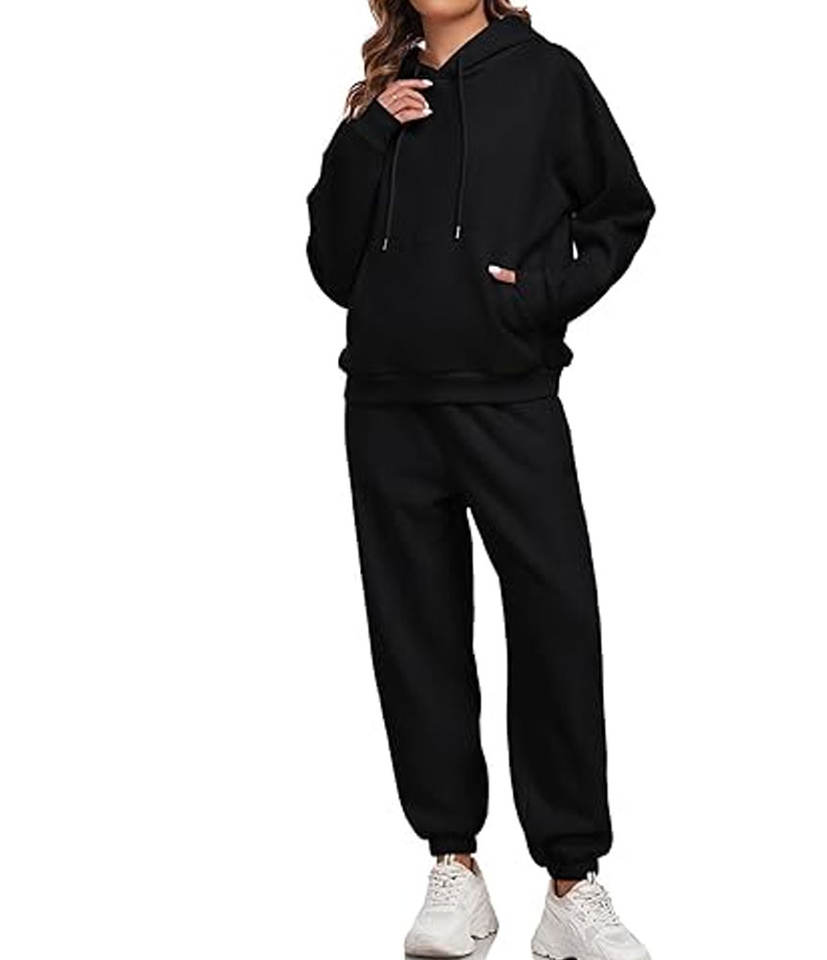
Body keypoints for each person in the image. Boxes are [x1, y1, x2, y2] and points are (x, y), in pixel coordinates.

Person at [306, 1, 655, 957]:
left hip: (508, 395)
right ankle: (454, 868)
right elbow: (331, 266)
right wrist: (370, 134)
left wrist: (540, 296)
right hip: (387, 403)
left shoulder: (548, 77)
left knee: (554, 617)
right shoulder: (380, 97)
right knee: (415, 631)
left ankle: (572, 881)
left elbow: (622, 209)